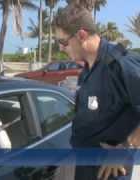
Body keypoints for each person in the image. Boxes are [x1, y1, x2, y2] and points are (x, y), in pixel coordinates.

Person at [53, 4, 140, 180]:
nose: (61, 48)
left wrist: (125, 148)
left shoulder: (120, 65)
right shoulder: (87, 69)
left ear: (82, 35)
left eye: (63, 42)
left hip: (109, 172)